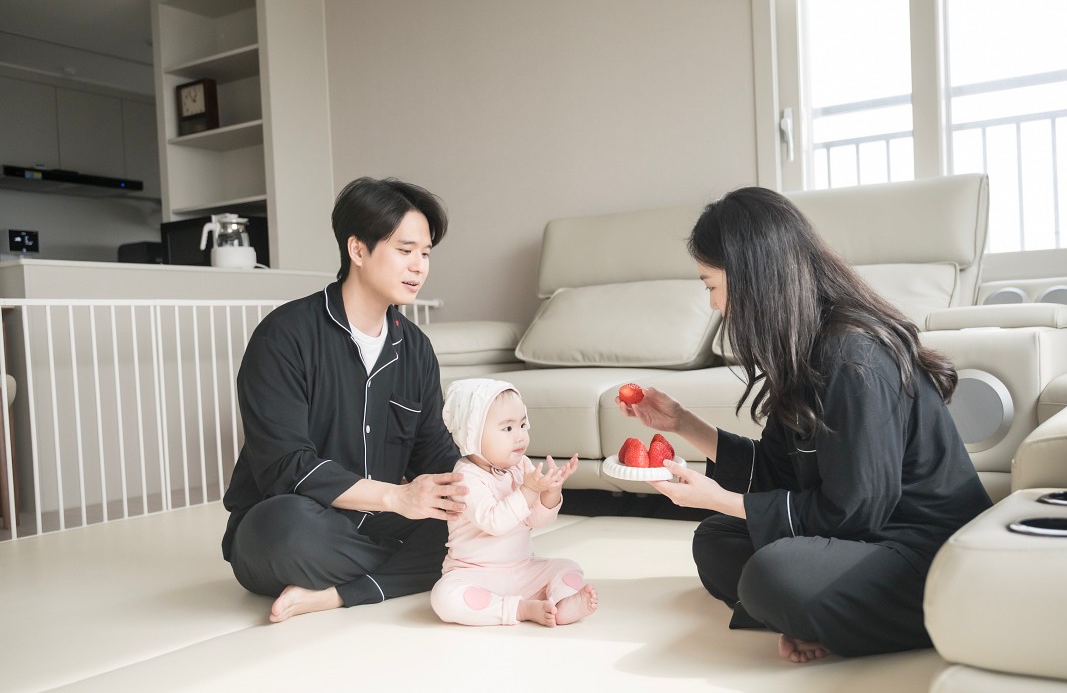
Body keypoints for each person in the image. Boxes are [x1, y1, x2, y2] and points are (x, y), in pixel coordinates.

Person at [619, 187, 991, 663]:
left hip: (923, 548)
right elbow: (780, 470)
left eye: (711, 285)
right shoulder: (804, 346)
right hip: (866, 536)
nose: (713, 305)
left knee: (775, 575)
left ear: (752, 277)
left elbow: (855, 512)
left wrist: (724, 499)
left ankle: (815, 610)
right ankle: (818, 615)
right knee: (715, 540)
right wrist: (683, 423)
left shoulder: (853, 357)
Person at [222, 177, 469, 623]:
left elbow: (434, 451)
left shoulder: (415, 348)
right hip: (299, 520)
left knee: (471, 526)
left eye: (426, 253)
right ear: (357, 250)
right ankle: (412, 570)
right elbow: (286, 466)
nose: (419, 267)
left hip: (379, 522)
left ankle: (336, 594)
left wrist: (498, 488)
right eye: (405, 250)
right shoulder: (284, 336)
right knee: (283, 532)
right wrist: (397, 497)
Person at [430, 378, 597, 627]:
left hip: (523, 569)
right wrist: (529, 490)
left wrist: (551, 491)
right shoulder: (465, 476)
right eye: (508, 428)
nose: (520, 436)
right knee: (444, 597)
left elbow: (537, 520)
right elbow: (494, 522)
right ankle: (518, 609)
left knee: (568, 567)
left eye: (522, 425)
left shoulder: (521, 466)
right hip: (476, 574)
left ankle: (562, 602)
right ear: (472, 434)